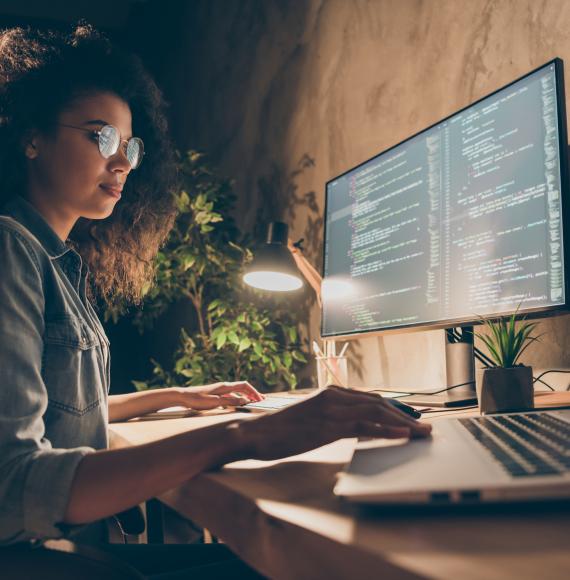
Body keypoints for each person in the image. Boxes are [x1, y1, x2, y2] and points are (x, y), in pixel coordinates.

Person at [0, 24, 431, 578]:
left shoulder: (56, 259)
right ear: (30, 136)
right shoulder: (11, 247)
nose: (125, 162)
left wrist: (171, 397)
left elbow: (53, 418)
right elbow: (14, 485)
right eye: (101, 136)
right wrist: (248, 434)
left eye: (130, 146)